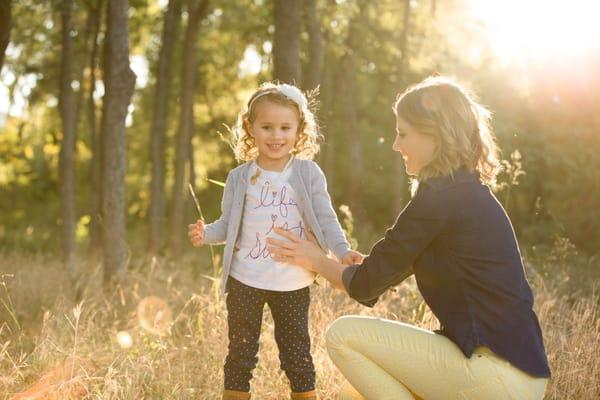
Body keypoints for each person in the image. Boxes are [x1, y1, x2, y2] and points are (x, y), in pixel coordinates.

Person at [267, 76, 551, 400]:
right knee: (354, 394)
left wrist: (315, 259)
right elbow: (373, 277)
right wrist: (350, 266)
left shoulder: (440, 197)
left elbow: (362, 285)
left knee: (342, 336)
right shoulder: (464, 193)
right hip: (518, 378)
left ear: (435, 135)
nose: (395, 145)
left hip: (496, 376)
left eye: (403, 134)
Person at [188, 82, 362, 400]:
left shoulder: (308, 173)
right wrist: (207, 234)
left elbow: (326, 218)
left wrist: (342, 251)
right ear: (251, 128)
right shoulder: (239, 177)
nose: (276, 136)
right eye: (267, 127)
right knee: (240, 354)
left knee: (296, 354)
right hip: (245, 281)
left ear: (299, 131)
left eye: (285, 127)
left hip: (292, 283)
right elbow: (228, 225)